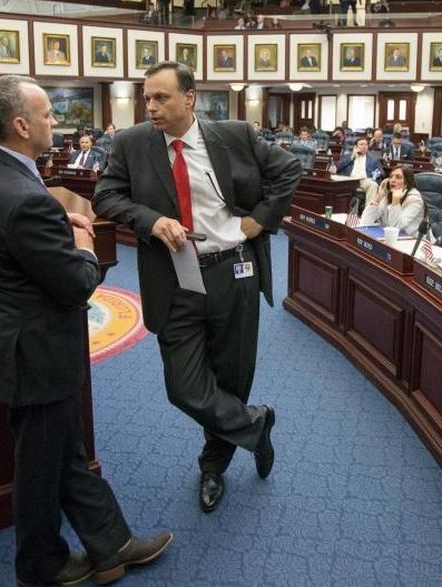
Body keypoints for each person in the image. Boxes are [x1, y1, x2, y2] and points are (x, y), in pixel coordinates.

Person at [0, 75, 173, 586]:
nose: (56, 121)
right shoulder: (22, 197)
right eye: (48, 114)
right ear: (20, 124)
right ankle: (40, 567)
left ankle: (111, 543)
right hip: (35, 354)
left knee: (63, 453)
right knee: (39, 468)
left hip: (9, 342)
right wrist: (80, 243)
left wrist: (55, 227)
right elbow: (77, 284)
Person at [93, 62, 300, 513]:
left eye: (161, 97)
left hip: (234, 271)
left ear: (190, 98)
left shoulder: (235, 135)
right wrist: (152, 220)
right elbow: (105, 196)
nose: (151, 106)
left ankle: (213, 466)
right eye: (147, 97)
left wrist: (259, 220)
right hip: (174, 278)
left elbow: (289, 171)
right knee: (184, 386)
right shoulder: (132, 144)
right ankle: (254, 424)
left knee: (231, 376)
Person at [359, 165, 425, 237]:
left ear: (407, 183)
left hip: (410, 241)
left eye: (398, 177)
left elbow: (395, 228)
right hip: (389, 239)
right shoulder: (388, 194)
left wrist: (395, 201)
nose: (392, 180)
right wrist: (378, 197)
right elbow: (365, 222)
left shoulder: (415, 199)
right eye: (391, 177)